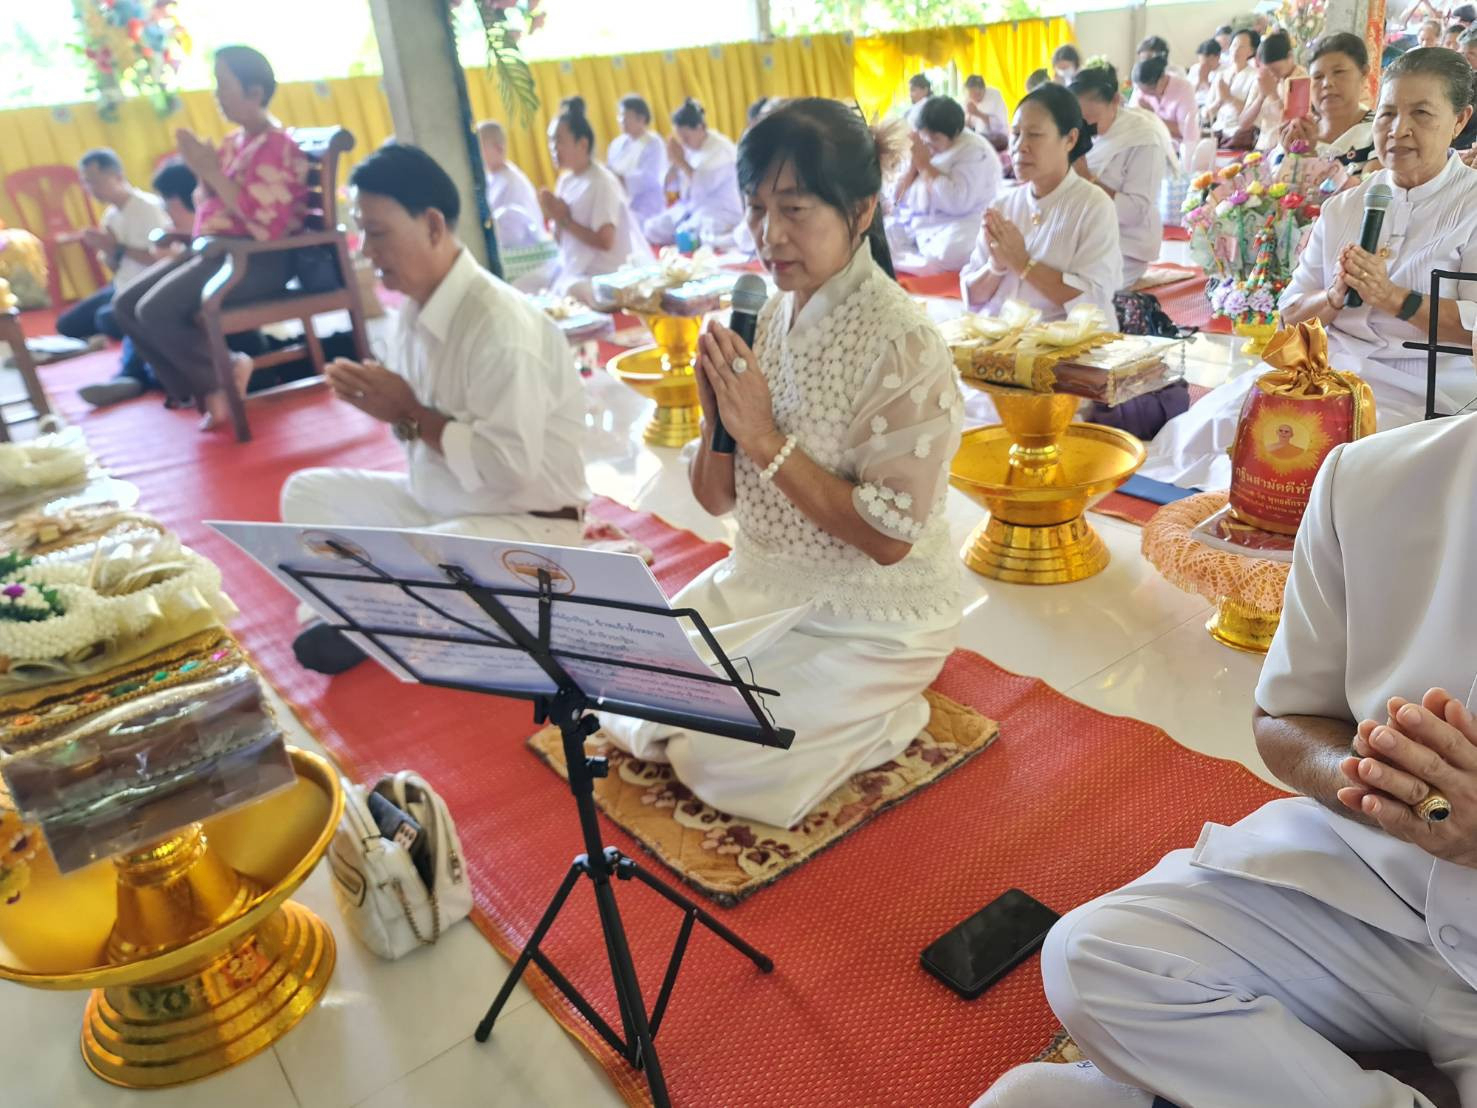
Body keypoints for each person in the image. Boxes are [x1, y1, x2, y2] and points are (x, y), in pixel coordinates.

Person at [977, 411, 1477, 1108]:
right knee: (1090, 955)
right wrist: (1372, 788)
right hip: (1367, 890)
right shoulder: (1373, 477)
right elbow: (1283, 717)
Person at [598, 98, 964, 829]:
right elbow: (715, 500)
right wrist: (717, 417)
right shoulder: (762, 316)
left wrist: (763, 438)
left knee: (715, 760)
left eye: (794, 209)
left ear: (860, 211)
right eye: (757, 209)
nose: (770, 236)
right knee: (621, 688)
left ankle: (884, 719)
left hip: (868, 618)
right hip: (759, 582)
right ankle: (810, 719)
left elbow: (888, 540)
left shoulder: (903, 342)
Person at [281, 142, 589, 673]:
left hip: (526, 524)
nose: (366, 251)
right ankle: (364, 616)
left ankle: (367, 614)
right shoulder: (411, 315)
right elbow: (417, 435)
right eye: (362, 233)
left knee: (438, 553)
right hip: (440, 506)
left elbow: (510, 472)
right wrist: (389, 408)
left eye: (377, 234)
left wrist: (407, 412)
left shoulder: (500, 327)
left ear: (430, 226)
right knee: (307, 492)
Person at [1143, 47, 1477, 488]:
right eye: (1387, 114)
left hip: (1419, 393)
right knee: (1214, 425)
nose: (1399, 130)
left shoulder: (1470, 206)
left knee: (1326, 467)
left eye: (1421, 114)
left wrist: (1394, 298)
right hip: (1322, 373)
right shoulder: (1346, 205)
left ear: (1459, 120)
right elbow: (1290, 316)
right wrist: (1335, 296)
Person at [112, 45, 308, 431]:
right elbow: (211, 208)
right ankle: (202, 388)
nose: (217, 94)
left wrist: (212, 173)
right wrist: (202, 173)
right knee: (124, 305)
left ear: (255, 92)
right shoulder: (235, 143)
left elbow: (264, 227)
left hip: (257, 260)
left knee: (155, 311)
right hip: (215, 252)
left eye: (224, 85)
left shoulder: (279, 146)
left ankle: (223, 377)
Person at [961, 83, 1121, 324]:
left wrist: (1023, 264)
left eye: (1034, 135)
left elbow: (1093, 301)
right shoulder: (1003, 205)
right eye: (1015, 134)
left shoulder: (1093, 205)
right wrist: (996, 266)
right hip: (1001, 342)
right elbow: (972, 296)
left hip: (1067, 348)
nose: (1020, 146)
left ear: (1070, 139)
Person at [57, 149, 171, 406]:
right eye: (86, 182)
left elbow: (162, 259)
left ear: (117, 176)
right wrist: (107, 250)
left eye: (95, 180)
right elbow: (115, 265)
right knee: (66, 324)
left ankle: (130, 376)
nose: (90, 188)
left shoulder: (147, 208)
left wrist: (116, 247)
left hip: (149, 282)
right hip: (121, 283)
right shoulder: (110, 214)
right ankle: (93, 346)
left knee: (112, 316)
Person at [537, 96, 649, 301]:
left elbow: (605, 241)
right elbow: (562, 242)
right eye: (551, 141)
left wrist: (564, 220)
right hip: (578, 269)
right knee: (527, 283)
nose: (553, 148)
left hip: (608, 275)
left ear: (582, 143)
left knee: (571, 291)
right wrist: (555, 217)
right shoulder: (565, 180)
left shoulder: (602, 182)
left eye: (559, 141)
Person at [1071, 65, 1172, 288]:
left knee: (1075, 288)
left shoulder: (1143, 138)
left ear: (1116, 100)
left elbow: (1135, 211)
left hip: (1126, 245)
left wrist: (1088, 180)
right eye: (1080, 120)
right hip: (1082, 235)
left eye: (1092, 120)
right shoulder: (1078, 130)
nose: (1085, 128)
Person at [887, 96, 1004, 274]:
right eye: (924, 138)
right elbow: (896, 198)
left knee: (956, 249)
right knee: (882, 234)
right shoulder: (920, 145)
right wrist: (913, 166)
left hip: (959, 223)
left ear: (956, 132)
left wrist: (925, 166)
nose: (929, 145)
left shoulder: (975, 151)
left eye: (935, 139)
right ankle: (914, 257)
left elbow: (958, 203)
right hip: (916, 224)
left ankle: (920, 261)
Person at [1273, 33, 1378, 179]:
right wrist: (1290, 155)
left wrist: (1309, 157)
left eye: (1339, 72)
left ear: (1364, 74)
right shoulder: (1299, 131)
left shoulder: (1379, 130)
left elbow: (1367, 194)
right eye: (1318, 77)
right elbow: (1273, 190)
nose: (1327, 83)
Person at [643, 98, 745, 248]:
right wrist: (673, 164)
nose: (683, 142)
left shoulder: (721, 149)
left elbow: (702, 187)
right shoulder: (689, 149)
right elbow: (671, 186)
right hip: (691, 207)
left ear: (700, 128)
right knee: (651, 227)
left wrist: (681, 162)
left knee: (687, 233)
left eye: (686, 137)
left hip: (720, 209)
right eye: (680, 137)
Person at [476, 119, 551, 260]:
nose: (476, 155)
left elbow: (512, 234)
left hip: (526, 258)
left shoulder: (511, 183)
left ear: (499, 148)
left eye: (480, 148)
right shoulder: (491, 178)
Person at [1242, 30, 1309, 152]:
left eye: (1276, 69)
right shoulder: (1264, 78)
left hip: (1288, 150)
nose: (1273, 75)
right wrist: (1261, 97)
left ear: (1290, 57)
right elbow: (1244, 124)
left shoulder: (1301, 78)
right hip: (1262, 147)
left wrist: (1273, 94)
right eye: (1268, 70)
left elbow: (1295, 125)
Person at [606, 93, 667, 224]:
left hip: (647, 205)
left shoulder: (654, 143)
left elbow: (650, 177)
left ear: (641, 119)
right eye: (620, 116)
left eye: (625, 116)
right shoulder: (616, 145)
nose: (621, 120)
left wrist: (621, 179)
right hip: (619, 201)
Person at [1131, 54, 1201, 165]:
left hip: (1179, 153)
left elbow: (1186, 132)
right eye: (1141, 91)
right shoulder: (1141, 89)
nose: (1145, 94)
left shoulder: (1184, 88)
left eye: (1150, 91)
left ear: (1162, 79)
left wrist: (1152, 116)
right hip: (1148, 148)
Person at [1209, 28, 1262, 148]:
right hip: (1218, 130)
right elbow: (1207, 114)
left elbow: (1254, 116)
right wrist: (1218, 102)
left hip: (1238, 133)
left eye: (1241, 46)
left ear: (1251, 51)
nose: (1235, 50)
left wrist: (1229, 98)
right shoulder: (1221, 75)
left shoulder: (1255, 77)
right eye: (1233, 45)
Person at [964, 74, 1010, 147]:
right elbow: (969, 125)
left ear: (983, 89)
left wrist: (978, 113)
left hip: (998, 140)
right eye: (971, 95)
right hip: (979, 138)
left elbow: (1000, 126)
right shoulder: (968, 98)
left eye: (977, 94)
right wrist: (969, 116)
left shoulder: (995, 96)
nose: (974, 98)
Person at [1190, 38, 1226, 112]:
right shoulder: (1195, 68)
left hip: (1211, 108)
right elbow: (1188, 94)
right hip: (1193, 105)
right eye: (1201, 62)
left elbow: (1220, 99)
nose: (1204, 66)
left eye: (1207, 62)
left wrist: (1205, 81)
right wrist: (1199, 81)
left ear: (1218, 57)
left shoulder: (1225, 71)